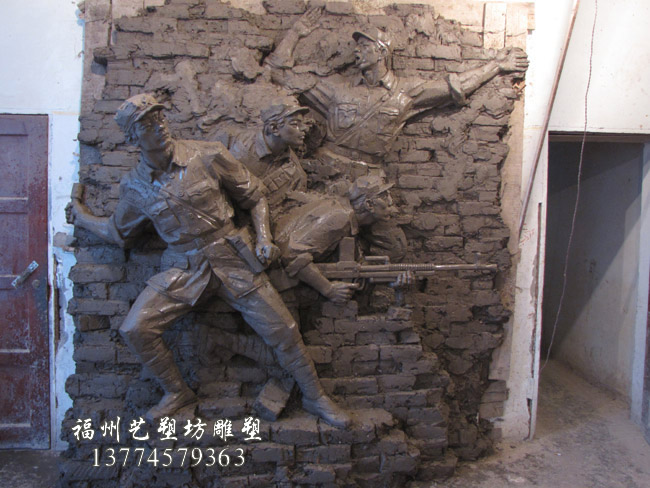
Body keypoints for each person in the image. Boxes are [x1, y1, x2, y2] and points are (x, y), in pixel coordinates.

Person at [66, 93, 351, 428]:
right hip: (184, 266)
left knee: (284, 330)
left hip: (232, 257)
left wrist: (264, 238)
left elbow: (254, 197)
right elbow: (118, 233)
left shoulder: (207, 154)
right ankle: (177, 392)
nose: (159, 126)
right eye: (147, 124)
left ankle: (316, 397)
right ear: (132, 138)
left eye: (160, 118)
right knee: (135, 328)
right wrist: (83, 217)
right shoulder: (134, 187)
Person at [273, 175, 407, 303]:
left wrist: (393, 278)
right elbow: (291, 254)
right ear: (369, 204)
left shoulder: (349, 221)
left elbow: (354, 270)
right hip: (278, 288)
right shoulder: (339, 218)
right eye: (384, 197)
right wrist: (328, 289)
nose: (391, 202)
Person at [214, 101, 310, 216]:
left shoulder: (295, 172)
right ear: (274, 128)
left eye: (303, 123)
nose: (305, 128)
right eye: (295, 124)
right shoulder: (237, 144)